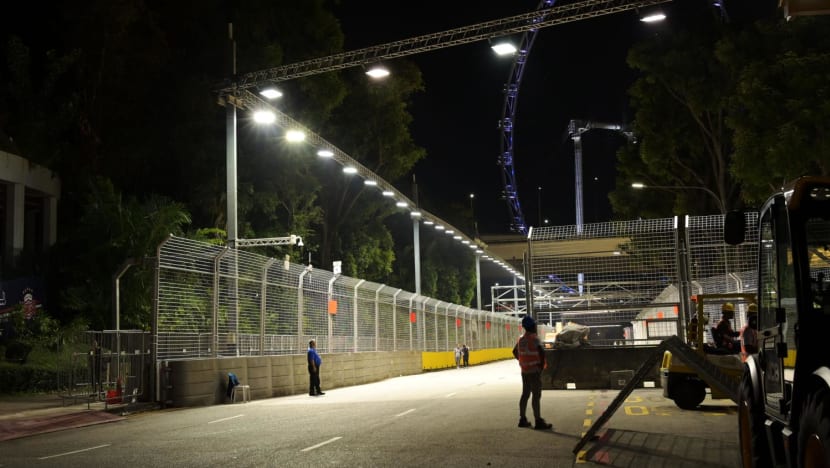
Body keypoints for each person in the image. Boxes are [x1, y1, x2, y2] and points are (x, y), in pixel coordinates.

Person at [512, 315, 553, 430]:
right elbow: (541, 352)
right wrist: (540, 367)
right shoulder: (534, 338)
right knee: (536, 395)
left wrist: (523, 361)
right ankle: (538, 420)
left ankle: (522, 419)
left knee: (525, 394)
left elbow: (514, 351)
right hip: (534, 371)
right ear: (532, 326)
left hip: (524, 371)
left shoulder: (521, 339)